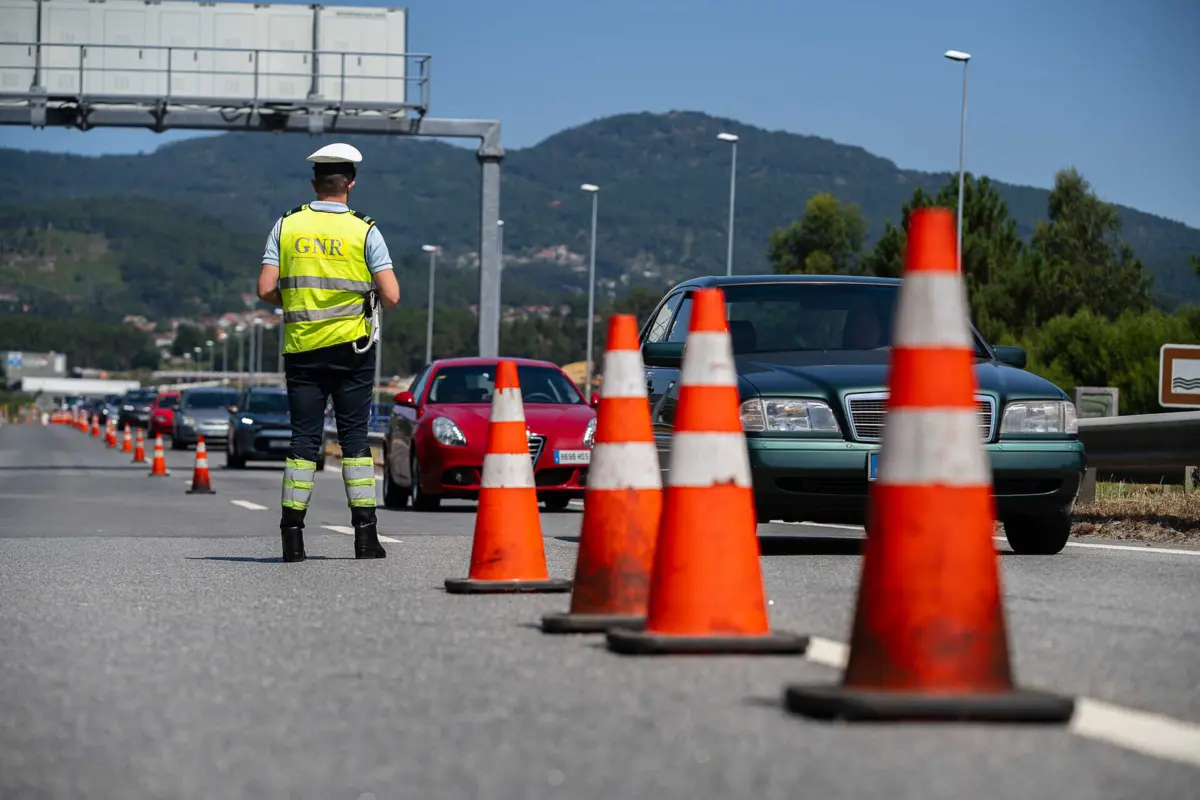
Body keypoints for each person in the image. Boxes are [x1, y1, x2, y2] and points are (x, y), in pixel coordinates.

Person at [256, 142, 401, 563]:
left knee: (303, 440)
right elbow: (392, 295)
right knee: (355, 440)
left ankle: (292, 538)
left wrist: (299, 301)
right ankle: (365, 537)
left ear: (314, 183)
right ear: (350, 185)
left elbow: (265, 289)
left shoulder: (287, 225)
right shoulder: (365, 230)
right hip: (352, 350)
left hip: (302, 349)